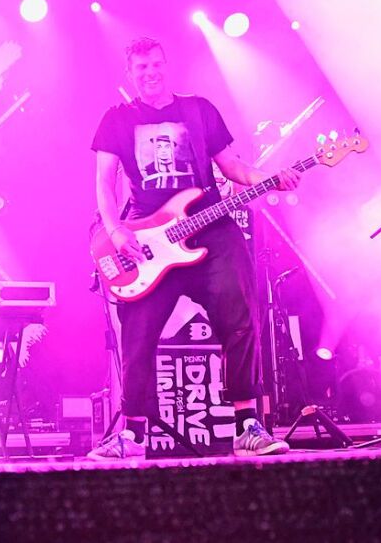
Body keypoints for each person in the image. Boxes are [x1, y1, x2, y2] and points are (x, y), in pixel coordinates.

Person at [88, 36, 300, 459]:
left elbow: (232, 167)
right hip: (149, 242)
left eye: (156, 65)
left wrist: (270, 177)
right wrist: (115, 231)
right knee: (139, 334)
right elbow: (103, 182)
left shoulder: (199, 110)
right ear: (130, 75)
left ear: (167, 66)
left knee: (240, 321)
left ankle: (247, 426)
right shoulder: (116, 119)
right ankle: (132, 434)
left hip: (214, 231)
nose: (150, 73)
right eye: (141, 68)